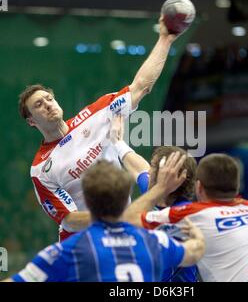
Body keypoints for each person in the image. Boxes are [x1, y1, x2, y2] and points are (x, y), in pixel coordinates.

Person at [18, 16, 180, 241]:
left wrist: (165, 39)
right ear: (31, 121)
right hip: (85, 244)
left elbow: (141, 86)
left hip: (125, 231)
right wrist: (116, 217)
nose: (47, 105)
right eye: (38, 105)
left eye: (49, 98)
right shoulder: (41, 168)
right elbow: (69, 220)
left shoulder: (98, 113)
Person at [3, 154, 205, 282]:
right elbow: (195, 251)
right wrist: (197, 235)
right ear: (127, 196)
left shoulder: (67, 251)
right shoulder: (155, 241)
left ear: (88, 204)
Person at [123, 153, 248, 282]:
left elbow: (127, 220)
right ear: (237, 189)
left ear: (199, 188)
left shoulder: (191, 215)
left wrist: (160, 188)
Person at [109, 115, 199, 281]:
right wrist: (117, 141)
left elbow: (126, 220)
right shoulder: (153, 191)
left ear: (169, 179)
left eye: (155, 169)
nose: (148, 172)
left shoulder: (187, 215)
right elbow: (138, 166)